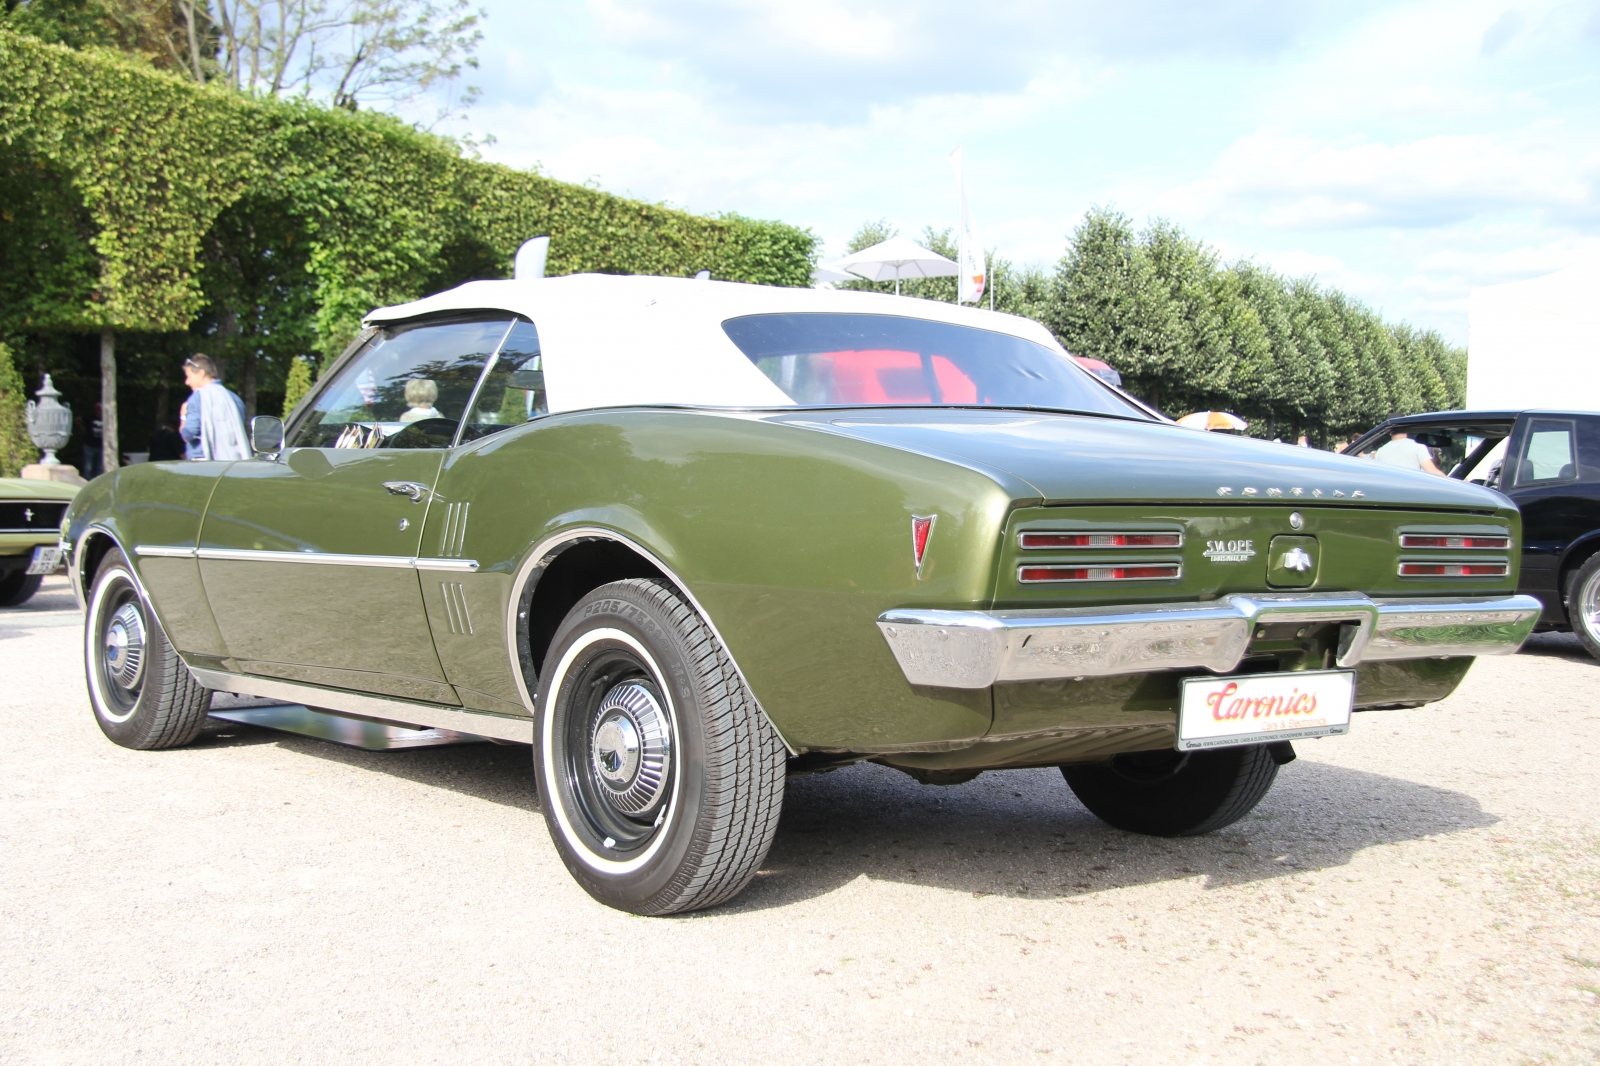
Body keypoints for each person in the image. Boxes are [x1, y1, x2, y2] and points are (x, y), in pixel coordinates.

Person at [179, 354, 251, 461]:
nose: (187, 382)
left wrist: (183, 416)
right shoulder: (235, 399)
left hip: (202, 463)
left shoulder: (199, 397)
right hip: (233, 462)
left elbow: (188, 435)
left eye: (189, 377)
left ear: (201, 373)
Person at [1371, 428, 1444, 475]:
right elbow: (1432, 472)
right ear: (1407, 430)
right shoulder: (1418, 446)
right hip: (1411, 494)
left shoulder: (1380, 451)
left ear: (1390, 432)